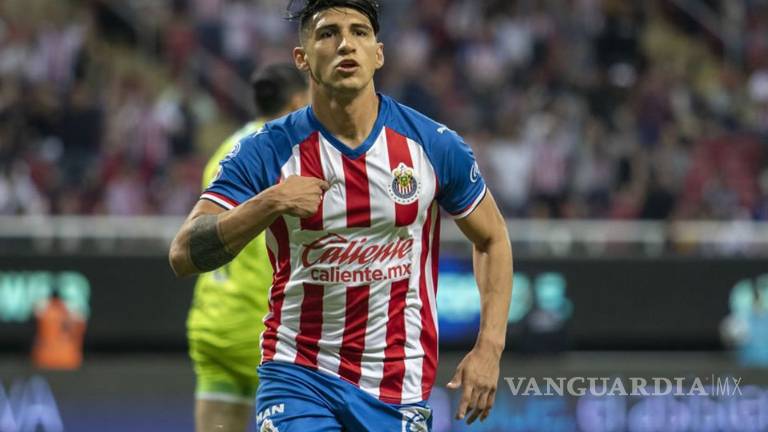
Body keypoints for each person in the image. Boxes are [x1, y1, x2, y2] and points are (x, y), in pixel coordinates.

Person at [169, 1, 513, 430]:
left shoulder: (432, 145)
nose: (346, 44)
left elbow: (492, 238)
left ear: (378, 53)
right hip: (297, 374)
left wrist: (490, 348)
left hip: (397, 384)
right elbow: (183, 254)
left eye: (359, 32)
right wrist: (269, 202)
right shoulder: (266, 150)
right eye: (328, 33)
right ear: (302, 58)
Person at [187, 63, 308, 432]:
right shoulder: (291, 154)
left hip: (214, 322)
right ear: (297, 101)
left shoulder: (227, 150)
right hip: (265, 328)